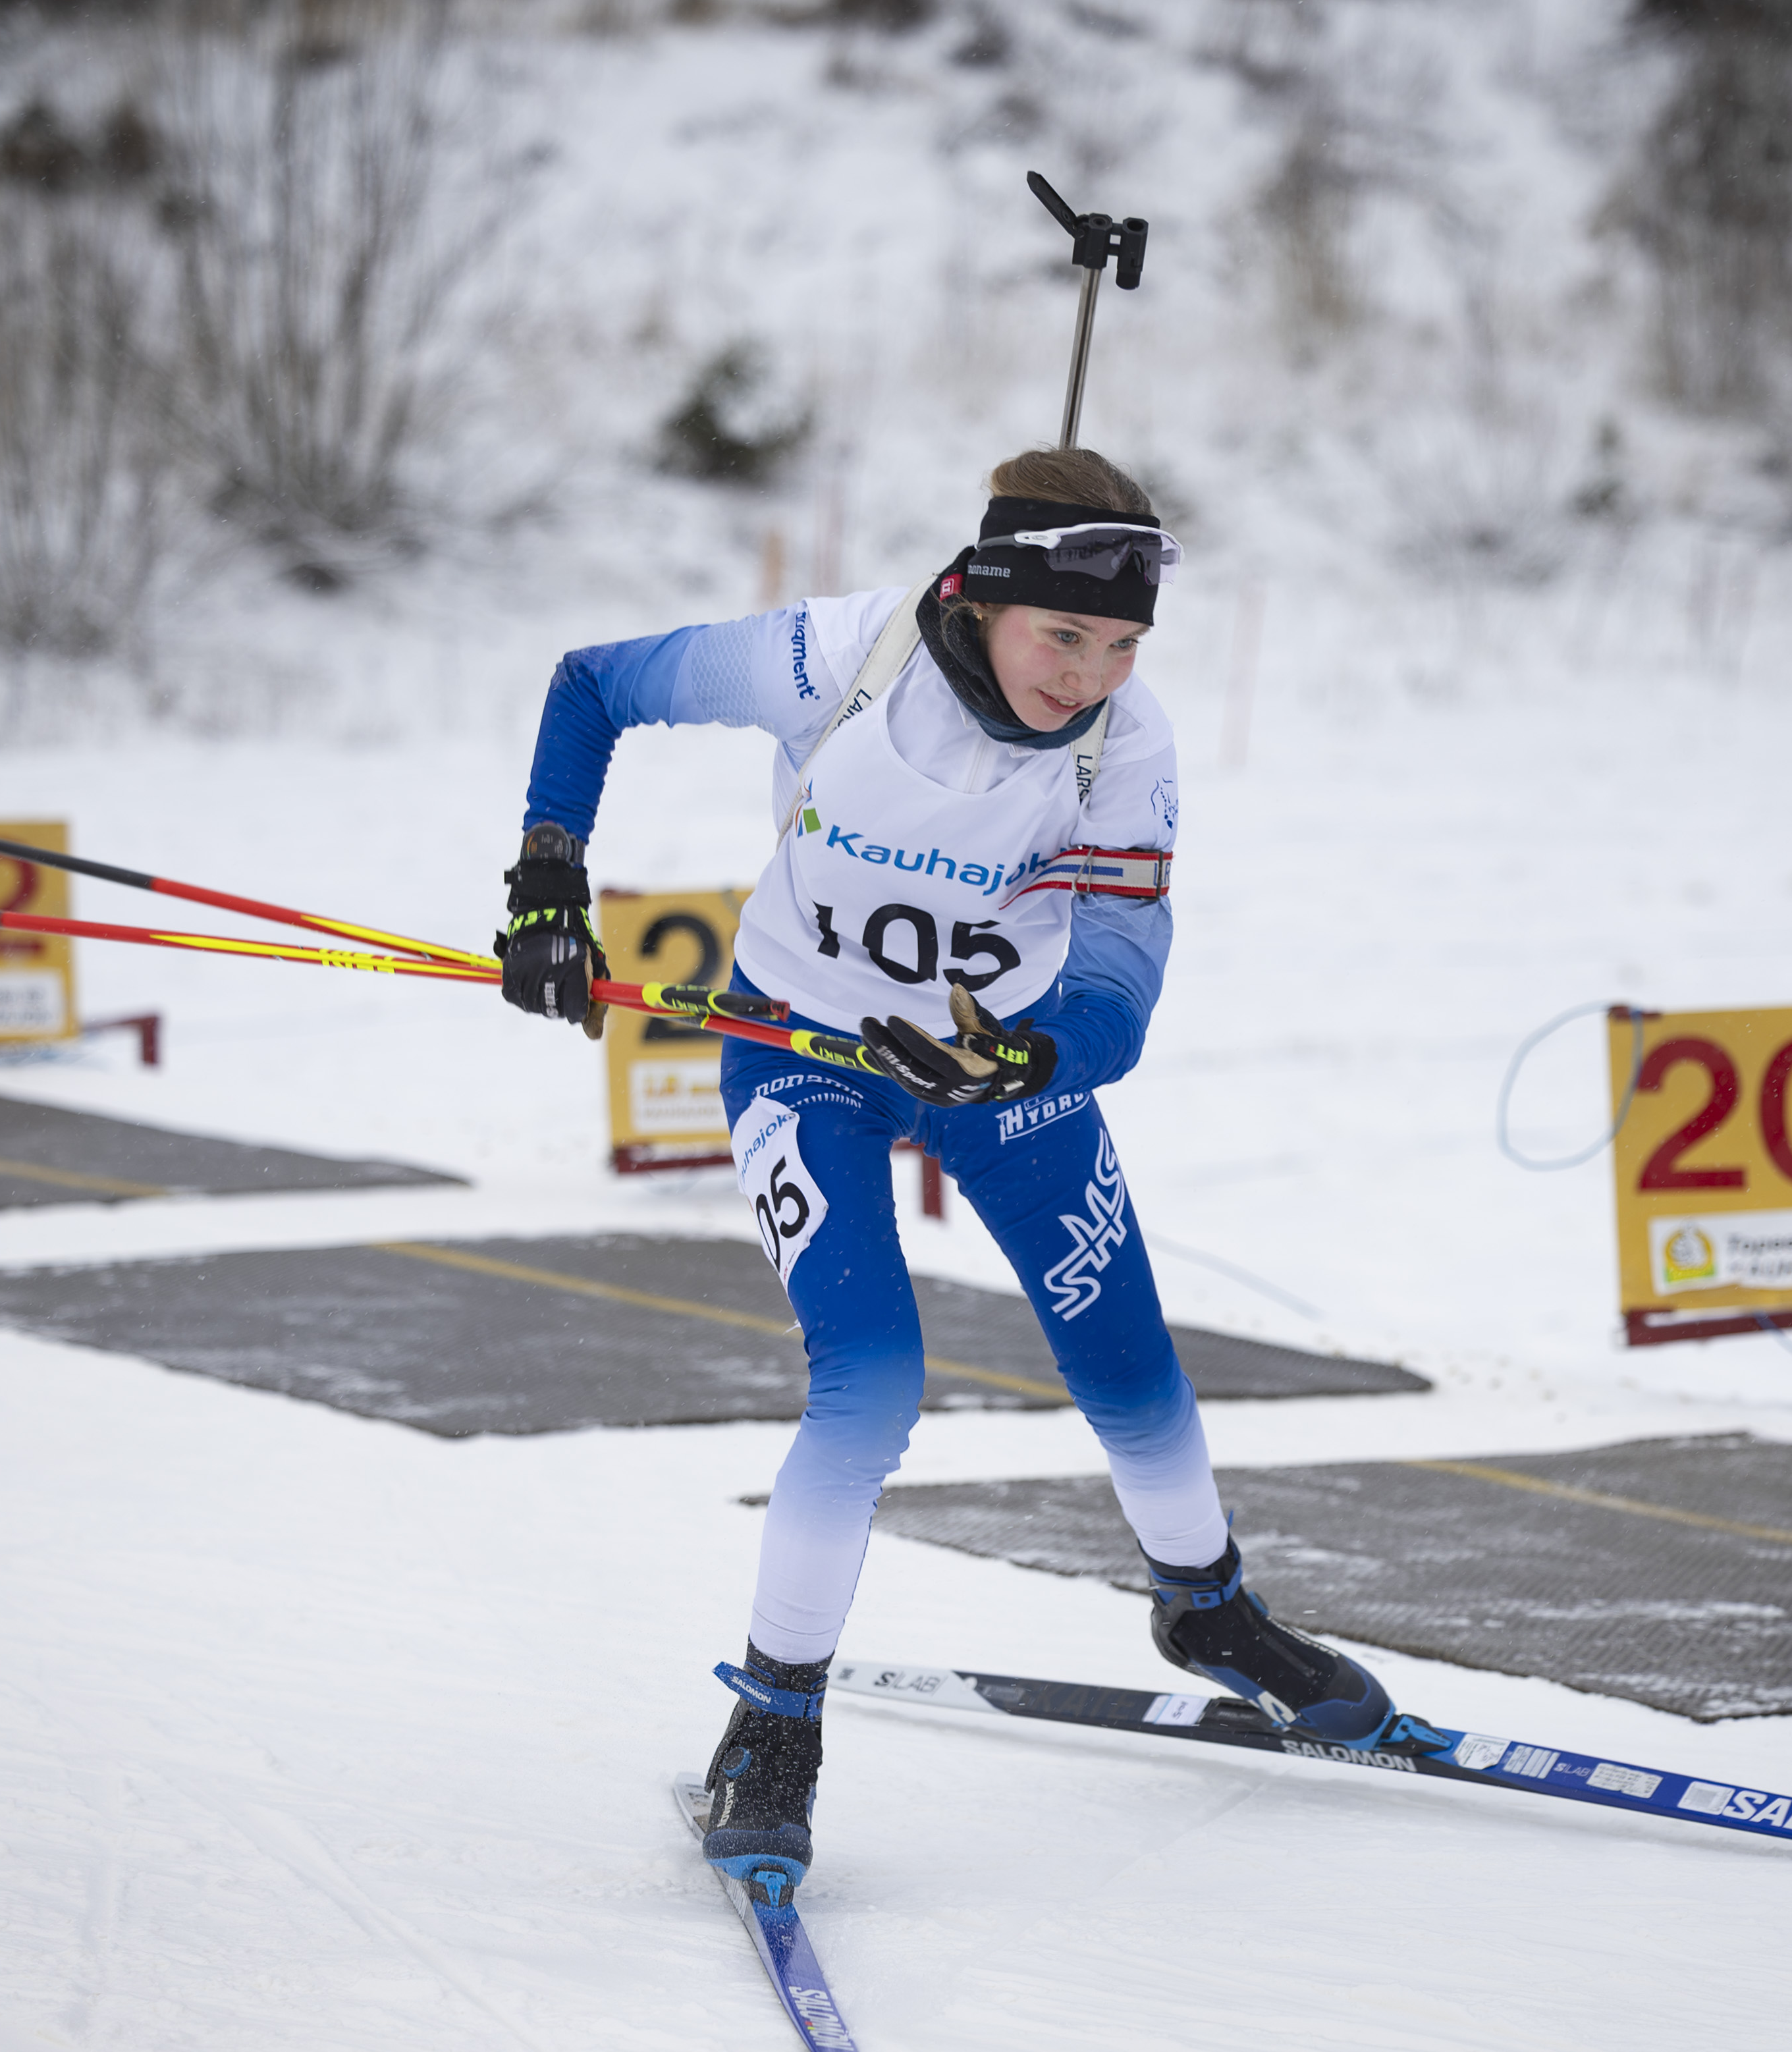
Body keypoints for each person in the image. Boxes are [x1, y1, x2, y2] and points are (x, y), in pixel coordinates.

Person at [499, 447, 1445, 1903]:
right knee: (871, 1378)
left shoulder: (1122, 752)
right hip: (798, 1052)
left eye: (1122, 645)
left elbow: (1123, 985)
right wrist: (550, 880)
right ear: (985, 591)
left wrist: (1027, 1060)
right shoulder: (841, 658)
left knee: (1124, 1350)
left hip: (999, 1072)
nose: (1089, 674)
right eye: (1063, 634)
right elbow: (593, 684)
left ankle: (1210, 1611)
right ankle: (773, 1719)